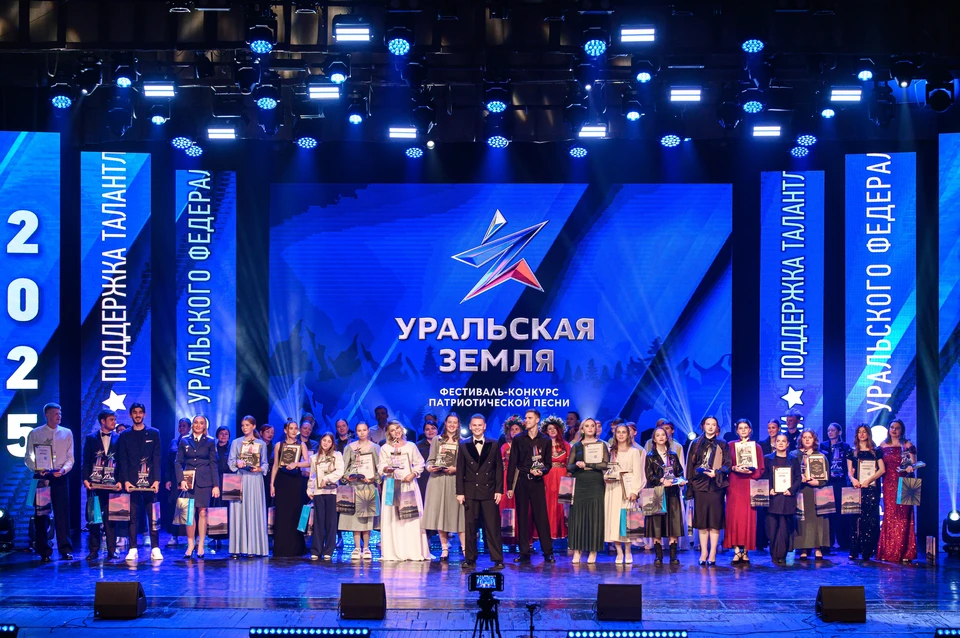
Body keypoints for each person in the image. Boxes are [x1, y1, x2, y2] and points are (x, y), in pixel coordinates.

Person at [25, 403, 74, 562]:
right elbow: (28, 457)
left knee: (62, 513)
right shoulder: (35, 433)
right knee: (41, 515)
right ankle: (44, 551)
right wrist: (37, 469)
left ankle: (65, 549)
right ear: (47, 415)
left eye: (60, 413)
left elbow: (70, 458)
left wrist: (64, 470)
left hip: (60, 476)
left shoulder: (67, 433)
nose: (59, 416)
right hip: (41, 478)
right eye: (55, 413)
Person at [506, 409, 555, 563]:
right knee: (522, 517)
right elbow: (513, 463)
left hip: (537, 482)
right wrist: (509, 486)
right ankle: (524, 552)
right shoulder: (519, 439)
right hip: (522, 481)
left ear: (537, 420)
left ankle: (548, 552)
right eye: (525, 418)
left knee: (541, 517)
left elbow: (548, 464)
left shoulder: (545, 440)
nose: (526, 420)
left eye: (529, 418)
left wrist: (542, 471)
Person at [456, 414, 505, 569]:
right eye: (474, 425)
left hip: (489, 490)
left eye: (480, 425)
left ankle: (497, 558)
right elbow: (460, 470)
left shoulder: (494, 444)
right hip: (470, 491)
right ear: (470, 427)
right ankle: (470, 558)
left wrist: (499, 490)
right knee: (470, 526)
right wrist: (460, 492)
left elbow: (498, 468)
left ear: (484, 427)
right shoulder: (463, 445)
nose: (477, 428)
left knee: (492, 526)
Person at [379, 420, 431, 561]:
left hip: (408, 484)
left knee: (410, 517)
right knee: (393, 518)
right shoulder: (385, 448)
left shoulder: (411, 446)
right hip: (392, 484)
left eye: (398, 428)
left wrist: (413, 474)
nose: (396, 431)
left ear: (402, 429)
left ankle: (412, 551)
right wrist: (386, 469)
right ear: (389, 433)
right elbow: (381, 466)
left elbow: (420, 463)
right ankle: (394, 551)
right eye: (392, 430)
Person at [117, 402, 163, 561]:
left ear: (144, 414)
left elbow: (157, 457)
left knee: (153, 515)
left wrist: (157, 480)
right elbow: (122, 459)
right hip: (132, 482)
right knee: (132, 516)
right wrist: (126, 480)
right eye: (135, 412)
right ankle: (132, 548)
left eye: (140, 412)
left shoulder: (154, 433)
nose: (138, 415)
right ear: (130, 415)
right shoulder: (124, 435)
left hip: (150, 481)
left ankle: (155, 547)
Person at [685, 415, 731, 567]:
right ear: (703, 426)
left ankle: (713, 553)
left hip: (716, 486)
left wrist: (717, 472)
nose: (710, 427)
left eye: (713, 424)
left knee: (714, 521)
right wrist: (690, 485)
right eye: (708, 424)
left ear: (717, 427)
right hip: (700, 486)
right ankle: (704, 552)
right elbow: (690, 466)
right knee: (702, 522)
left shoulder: (722, 444)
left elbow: (728, 464)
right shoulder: (696, 443)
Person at [175, 414, 221, 559]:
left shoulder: (210, 441)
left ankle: (201, 544)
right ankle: (190, 544)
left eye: (201, 423)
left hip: (205, 481)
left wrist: (216, 485)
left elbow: (213, 464)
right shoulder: (184, 440)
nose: (198, 425)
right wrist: (181, 480)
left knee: (202, 512)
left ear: (205, 426)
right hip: (188, 481)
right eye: (196, 422)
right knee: (189, 514)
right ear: (192, 425)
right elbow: (178, 462)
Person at [876, 419, 918, 563]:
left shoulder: (907, 445)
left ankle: (905, 551)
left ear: (902, 430)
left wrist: (911, 467)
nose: (894, 430)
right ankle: (888, 551)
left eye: (897, 428)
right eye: (892, 427)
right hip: (889, 483)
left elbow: (914, 463)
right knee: (890, 515)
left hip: (905, 482)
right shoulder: (882, 445)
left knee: (904, 516)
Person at [423, 413, 465, 560]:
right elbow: (430, 461)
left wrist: (455, 469)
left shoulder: (463, 442)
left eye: (455, 422)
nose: (452, 425)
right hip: (438, 480)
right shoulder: (437, 440)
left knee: (458, 515)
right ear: (445, 423)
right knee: (440, 514)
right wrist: (430, 468)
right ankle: (444, 548)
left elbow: (466, 465)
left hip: (455, 481)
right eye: (449, 422)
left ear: (458, 425)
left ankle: (465, 548)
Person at [227, 415, 270, 558]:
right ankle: (237, 548)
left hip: (255, 480)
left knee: (253, 510)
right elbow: (230, 461)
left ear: (253, 426)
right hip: (240, 479)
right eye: (242, 425)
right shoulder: (236, 442)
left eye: (247, 425)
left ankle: (253, 548)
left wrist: (260, 469)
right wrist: (237, 463)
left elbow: (265, 463)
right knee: (238, 512)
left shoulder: (261, 444)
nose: (244, 428)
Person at [567, 417, 608, 564]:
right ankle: (577, 550)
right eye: (587, 426)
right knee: (578, 517)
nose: (590, 428)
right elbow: (569, 467)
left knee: (595, 516)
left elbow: (605, 464)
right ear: (582, 429)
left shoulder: (601, 445)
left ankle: (593, 551)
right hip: (580, 483)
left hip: (595, 483)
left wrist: (589, 464)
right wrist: (578, 465)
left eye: (592, 426)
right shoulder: (577, 446)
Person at [83, 409, 121, 561]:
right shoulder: (91, 438)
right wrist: (85, 479)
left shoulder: (119, 437)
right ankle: (93, 550)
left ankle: (112, 550)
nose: (114, 422)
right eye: (111, 419)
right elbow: (86, 460)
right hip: (95, 484)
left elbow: (122, 461)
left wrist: (121, 480)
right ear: (102, 421)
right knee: (94, 518)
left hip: (113, 484)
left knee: (112, 518)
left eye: (114, 419)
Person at [603, 424, 644, 564]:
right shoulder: (611, 451)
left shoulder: (634, 452)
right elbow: (607, 470)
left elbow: (638, 473)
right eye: (618, 432)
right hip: (612, 489)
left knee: (626, 521)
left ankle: (628, 550)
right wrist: (606, 477)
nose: (621, 435)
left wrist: (634, 491)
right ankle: (619, 552)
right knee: (613, 521)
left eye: (623, 432)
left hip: (627, 489)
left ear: (628, 435)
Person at [269, 420, 311, 557]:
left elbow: (308, 462)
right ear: (285, 430)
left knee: (295, 513)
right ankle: (281, 547)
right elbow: (275, 465)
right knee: (282, 513)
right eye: (291, 428)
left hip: (295, 481)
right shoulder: (279, 445)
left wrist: (296, 464)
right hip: (282, 480)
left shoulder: (301, 445)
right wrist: (272, 484)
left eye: (295, 428)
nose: (293, 431)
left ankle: (296, 548)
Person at [340, 421, 381, 560]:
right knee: (355, 519)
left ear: (368, 431)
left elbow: (379, 468)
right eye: (359, 430)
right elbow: (344, 469)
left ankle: (366, 547)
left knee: (367, 518)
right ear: (356, 432)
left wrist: (373, 478)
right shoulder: (350, 447)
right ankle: (357, 547)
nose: (362, 432)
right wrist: (348, 477)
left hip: (368, 486)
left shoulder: (375, 447)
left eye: (364, 430)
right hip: (354, 487)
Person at [726, 418, 764, 564]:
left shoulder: (757, 447)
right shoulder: (731, 445)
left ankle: (746, 551)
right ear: (737, 431)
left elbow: (761, 468)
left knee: (748, 518)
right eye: (740, 428)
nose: (743, 430)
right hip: (734, 484)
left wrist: (752, 473)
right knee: (734, 518)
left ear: (750, 430)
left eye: (745, 427)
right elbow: (726, 465)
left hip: (749, 484)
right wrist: (733, 468)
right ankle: (736, 551)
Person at [644, 426, 684, 565]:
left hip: (672, 493)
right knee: (657, 525)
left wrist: (680, 480)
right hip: (657, 493)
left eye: (663, 435)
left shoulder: (673, 455)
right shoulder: (650, 456)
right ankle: (658, 555)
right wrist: (661, 480)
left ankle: (673, 555)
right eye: (658, 435)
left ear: (667, 437)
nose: (661, 437)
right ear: (654, 439)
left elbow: (679, 472)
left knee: (673, 524)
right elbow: (649, 476)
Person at [846, 424, 884, 561]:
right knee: (854, 519)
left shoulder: (876, 451)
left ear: (868, 434)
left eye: (864, 432)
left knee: (870, 519)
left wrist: (869, 480)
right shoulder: (852, 452)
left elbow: (882, 470)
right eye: (859, 432)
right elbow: (849, 472)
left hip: (871, 488)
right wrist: (853, 480)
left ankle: (868, 550)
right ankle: (854, 550)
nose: (861, 434)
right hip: (856, 488)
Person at [763, 434, 802, 564]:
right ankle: (774, 554)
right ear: (775, 444)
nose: (780, 443)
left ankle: (782, 555)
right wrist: (769, 489)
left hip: (787, 498)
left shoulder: (793, 459)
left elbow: (798, 478)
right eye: (778, 441)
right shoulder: (767, 459)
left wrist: (791, 490)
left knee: (785, 529)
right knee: (772, 529)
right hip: (773, 498)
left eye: (783, 441)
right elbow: (764, 476)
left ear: (787, 444)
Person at [792, 430, 830, 560]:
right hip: (801, 491)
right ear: (801, 439)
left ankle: (817, 547)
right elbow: (790, 472)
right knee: (802, 520)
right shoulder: (794, 455)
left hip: (816, 492)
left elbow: (826, 476)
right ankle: (804, 548)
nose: (807, 440)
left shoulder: (820, 456)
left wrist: (818, 482)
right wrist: (799, 479)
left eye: (810, 437)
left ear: (814, 440)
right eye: (805, 437)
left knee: (817, 520)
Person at [306, 432, 343, 561]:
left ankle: (329, 550)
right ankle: (316, 550)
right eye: (324, 440)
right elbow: (312, 475)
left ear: (332, 443)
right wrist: (310, 489)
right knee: (318, 521)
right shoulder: (314, 457)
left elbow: (340, 471)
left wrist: (327, 479)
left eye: (329, 441)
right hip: (318, 492)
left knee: (331, 522)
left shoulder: (337, 455)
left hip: (332, 492)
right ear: (320, 441)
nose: (326, 443)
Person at [821, 422, 852, 552]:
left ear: (839, 432)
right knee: (827, 511)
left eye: (833, 430)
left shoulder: (846, 447)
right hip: (827, 482)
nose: (830, 432)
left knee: (840, 512)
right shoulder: (823, 446)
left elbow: (848, 465)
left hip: (840, 482)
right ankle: (827, 543)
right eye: (828, 430)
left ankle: (843, 542)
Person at [165, 418, 191, 547]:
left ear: (189, 428)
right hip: (176, 478)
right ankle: (174, 536)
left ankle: (193, 536)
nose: (181, 428)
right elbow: (169, 462)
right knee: (175, 507)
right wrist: (168, 479)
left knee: (189, 506)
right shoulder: (174, 442)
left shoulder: (192, 442)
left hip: (190, 477)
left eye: (184, 426)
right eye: (180, 426)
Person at [542, 417, 570, 541]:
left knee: (562, 505)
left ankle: (562, 532)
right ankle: (548, 533)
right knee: (548, 503)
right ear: (546, 431)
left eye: (554, 428)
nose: (552, 430)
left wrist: (569, 478)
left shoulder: (566, 445)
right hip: (547, 476)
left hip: (563, 476)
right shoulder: (542, 445)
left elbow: (570, 463)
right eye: (549, 429)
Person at [755, 418, 781, 550]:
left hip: (780, 481)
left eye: (773, 427)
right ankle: (761, 541)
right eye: (769, 428)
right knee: (762, 512)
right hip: (764, 480)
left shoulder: (783, 442)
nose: (771, 430)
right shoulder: (761, 444)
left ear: (779, 429)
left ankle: (777, 541)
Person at [499, 416, 523, 550]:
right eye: (512, 429)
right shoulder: (504, 446)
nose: (514, 431)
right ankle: (509, 539)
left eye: (517, 429)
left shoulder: (525, 444)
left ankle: (522, 538)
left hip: (520, 476)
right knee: (507, 506)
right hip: (506, 477)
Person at [416, 419, 438, 502]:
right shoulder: (418, 446)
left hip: (438, 477)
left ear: (437, 430)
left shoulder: (443, 444)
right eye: (427, 429)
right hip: (424, 479)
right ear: (424, 432)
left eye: (433, 428)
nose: (430, 431)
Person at [259, 424, 275, 508]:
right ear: (261, 433)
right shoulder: (256, 446)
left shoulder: (275, 447)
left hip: (270, 476)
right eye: (268, 432)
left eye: (272, 432)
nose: (270, 434)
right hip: (258, 474)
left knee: (268, 501)